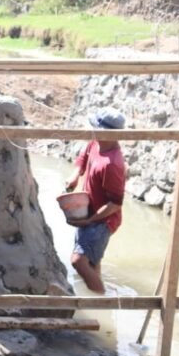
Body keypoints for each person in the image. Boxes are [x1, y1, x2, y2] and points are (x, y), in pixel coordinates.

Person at [63, 108, 127, 295]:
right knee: (92, 262)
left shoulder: (113, 163)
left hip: (104, 220)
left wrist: (89, 221)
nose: (92, 131)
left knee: (78, 261)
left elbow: (115, 204)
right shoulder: (96, 143)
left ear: (106, 133)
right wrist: (75, 175)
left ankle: (102, 298)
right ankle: (97, 298)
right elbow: (84, 157)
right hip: (89, 210)